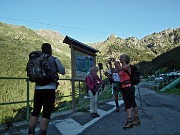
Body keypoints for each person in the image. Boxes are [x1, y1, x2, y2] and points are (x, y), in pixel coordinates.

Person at [28, 43, 65, 135]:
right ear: (50, 50)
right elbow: (62, 71)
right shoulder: (54, 59)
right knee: (46, 112)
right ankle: (42, 132)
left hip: (38, 88)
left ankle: (31, 132)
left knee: (35, 110)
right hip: (49, 88)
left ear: (42, 50)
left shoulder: (36, 59)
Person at [115, 54, 141, 129]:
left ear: (126, 59)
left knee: (132, 102)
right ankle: (130, 119)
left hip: (129, 87)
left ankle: (136, 118)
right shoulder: (121, 68)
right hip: (123, 88)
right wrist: (111, 64)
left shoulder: (128, 66)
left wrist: (115, 62)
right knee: (127, 103)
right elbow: (114, 71)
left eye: (122, 57)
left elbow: (120, 68)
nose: (120, 57)